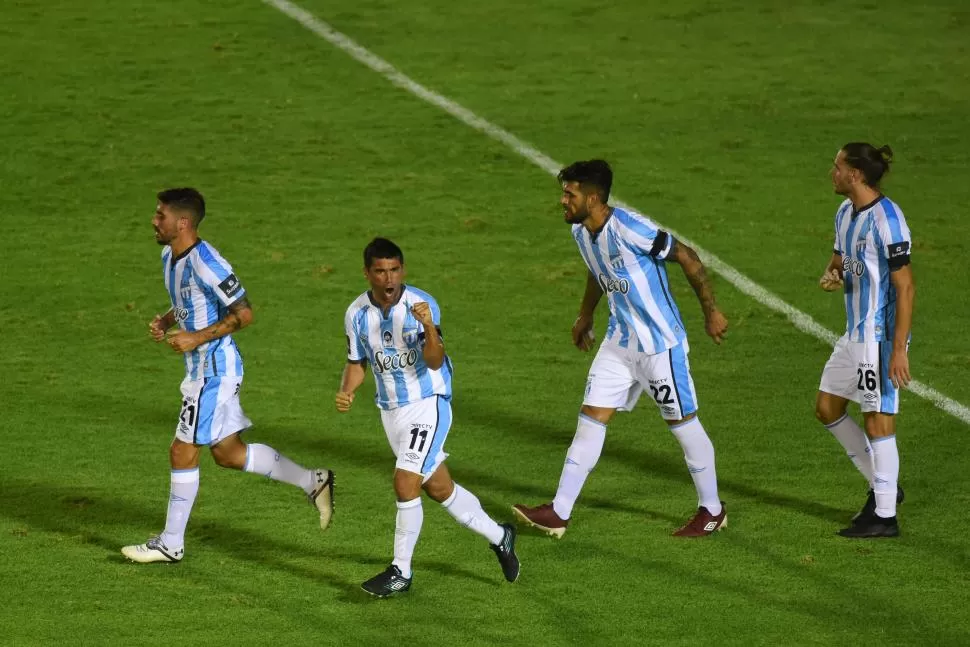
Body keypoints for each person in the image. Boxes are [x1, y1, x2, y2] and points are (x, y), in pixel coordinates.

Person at [513, 160, 729, 538]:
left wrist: (711, 312)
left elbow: (687, 256)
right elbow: (598, 271)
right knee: (590, 419)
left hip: (659, 346)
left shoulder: (632, 229)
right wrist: (585, 316)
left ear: (593, 198)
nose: (563, 201)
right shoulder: (582, 232)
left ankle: (712, 510)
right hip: (619, 342)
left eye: (570, 194)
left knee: (682, 424)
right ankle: (559, 512)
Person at [121, 188, 334, 563]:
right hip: (203, 369)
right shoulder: (170, 255)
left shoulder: (208, 264)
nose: (154, 221)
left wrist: (195, 338)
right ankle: (312, 480)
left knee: (182, 450)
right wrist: (167, 320)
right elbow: (189, 300)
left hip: (214, 371)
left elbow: (244, 314)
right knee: (229, 454)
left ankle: (171, 543)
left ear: (182, 223)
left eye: (160, 215)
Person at [336, 237, 519, 598]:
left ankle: (401, 571)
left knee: (405, 481)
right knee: (438, 488)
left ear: (402, 270)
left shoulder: (421, 305)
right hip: (390, 411)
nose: (389, 278)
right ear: (367, 273)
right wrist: (347, 390)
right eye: (380, 271)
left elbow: (434, 361)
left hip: (428, 403)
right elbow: (356, 363)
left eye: (394, 270)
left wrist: (429, 326)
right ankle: (501, 536)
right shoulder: (356, 313)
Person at [816, 143, 913, 538]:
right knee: (827, 407)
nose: (832, 173)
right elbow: (841, 260)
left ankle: (885, 516)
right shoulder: (845, 212)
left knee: (877, 418)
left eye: (837, 166)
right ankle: (883, 484)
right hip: (854, 333)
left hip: (878, 337)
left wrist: (897, 350)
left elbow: (905, 288)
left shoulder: (888, 221)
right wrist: (832, 274)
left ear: (855, 174)